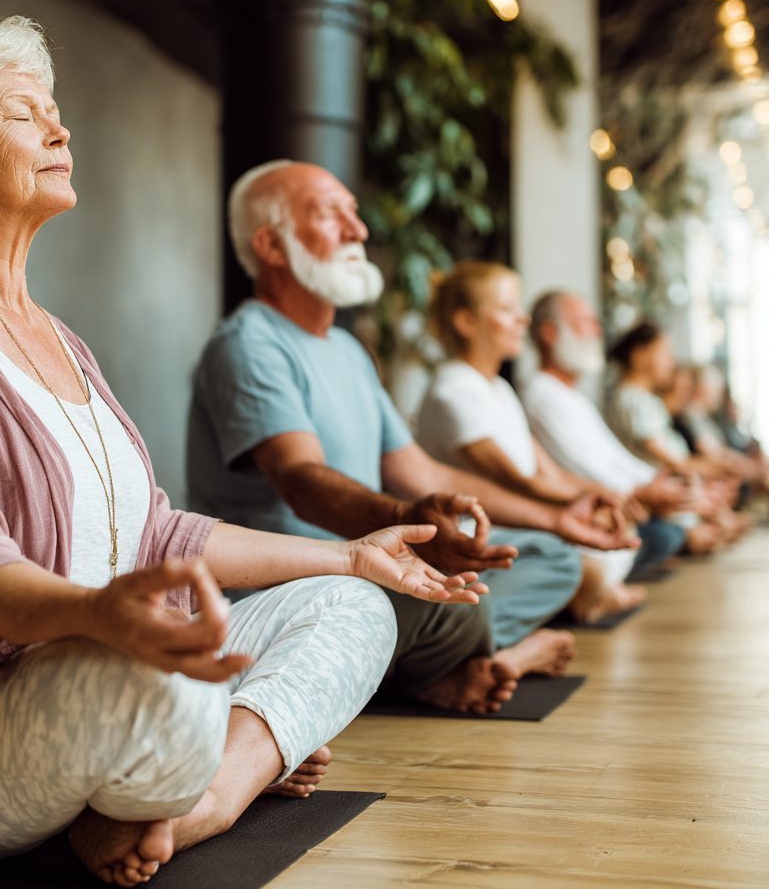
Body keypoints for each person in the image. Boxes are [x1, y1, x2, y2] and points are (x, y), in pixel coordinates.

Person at [0, 19, 485, 889]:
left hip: (105, 666)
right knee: (158, 673)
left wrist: (352, 555)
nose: (60, 131)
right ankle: (224, 749)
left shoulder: (60, 339)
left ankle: (201, 798)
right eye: (25, 114)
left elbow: (158, 532)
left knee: (353, 607)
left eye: (56, 112)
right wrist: (106, 620)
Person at [188, 160, 639, 702]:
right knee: (447, 597)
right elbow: (300, 480)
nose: (359, 230)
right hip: (297, 585)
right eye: (334, 215)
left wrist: (557, 517)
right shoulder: (250, 343)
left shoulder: (349, 351)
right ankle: (454, 667)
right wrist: (405, 520)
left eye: (355, 212)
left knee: (551, 558)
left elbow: (417, 470)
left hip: (373, 564)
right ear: (272, 246)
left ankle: (430, 666)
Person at [417, 263, 646, 623]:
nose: (523, 320)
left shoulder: (501, 389)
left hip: (517, 520)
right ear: (466, 322)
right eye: (508, 310)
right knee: (580, 563)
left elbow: (547, 473)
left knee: (619, 533)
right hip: (475, 535)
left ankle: (585, 595)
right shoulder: (453, 391)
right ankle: (582, 597)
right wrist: (584, 502)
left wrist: (608, 496)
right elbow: (517, 482)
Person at [521, 290, 690, 579]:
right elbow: (582, 467)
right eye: (587, 322)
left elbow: (615, 457)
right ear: (550, 333)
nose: (598, 331)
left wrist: (657, 485)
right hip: (589, 506)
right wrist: (642, 492)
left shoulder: (574, 396)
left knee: (670, 533)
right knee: (665, 536)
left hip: (617, 500)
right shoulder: (540, 393)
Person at [606, 323, 746, 551]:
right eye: (664, 353)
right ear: (639, 356)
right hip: (654, 499)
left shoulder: (645, 401)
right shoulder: (630, 401)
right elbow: (672, 463)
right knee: (671, 537)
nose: (670, 361)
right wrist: (722, 469)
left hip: (666, 492)